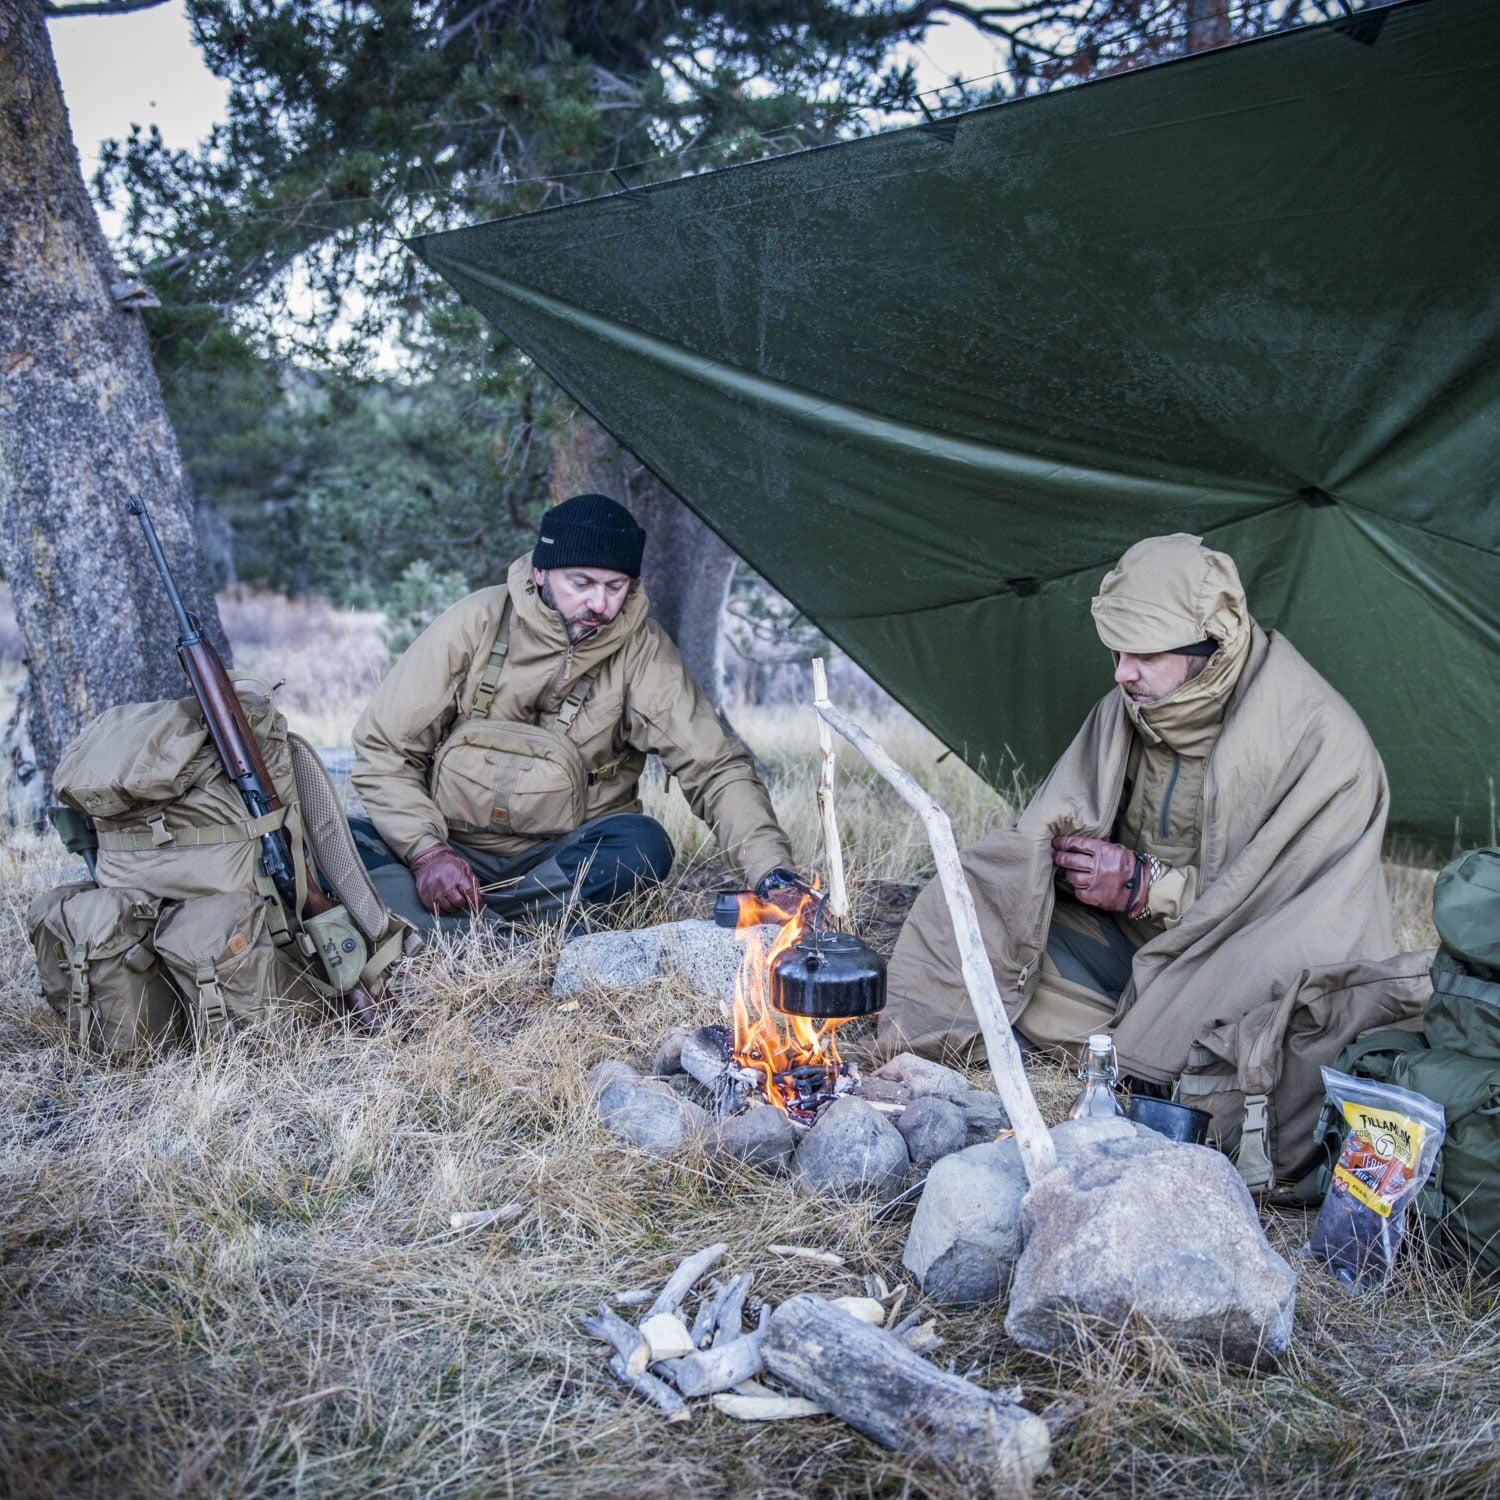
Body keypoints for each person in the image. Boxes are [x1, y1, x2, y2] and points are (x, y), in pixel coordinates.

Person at [877, 533, 1394, 1091]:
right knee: (979, 924)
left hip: (1242, 958)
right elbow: (1040, 837)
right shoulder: (1130, 708)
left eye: (1145, 654)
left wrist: (1147, 887)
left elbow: (1288, 920)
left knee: (1255, 1028)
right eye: (1117, 653)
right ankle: (1132, 1046)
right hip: (1138, 945)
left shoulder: (1320, 744)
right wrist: (1065, 870)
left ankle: (1135, 1052)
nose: (1122, 674)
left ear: (1210, 647)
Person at [349, 493, 798, 931]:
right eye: (581, 584)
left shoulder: (642, 652)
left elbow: (716, 767)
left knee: (643, 847)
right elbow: (383, 748)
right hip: (451, 848)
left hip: (562, 862)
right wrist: (426, 852)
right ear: (541, 572)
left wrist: (771, 873)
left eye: (615, 587)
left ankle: (463, 931)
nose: (599, 605)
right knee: (330, 839)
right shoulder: (475, 622)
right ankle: (515, 931)